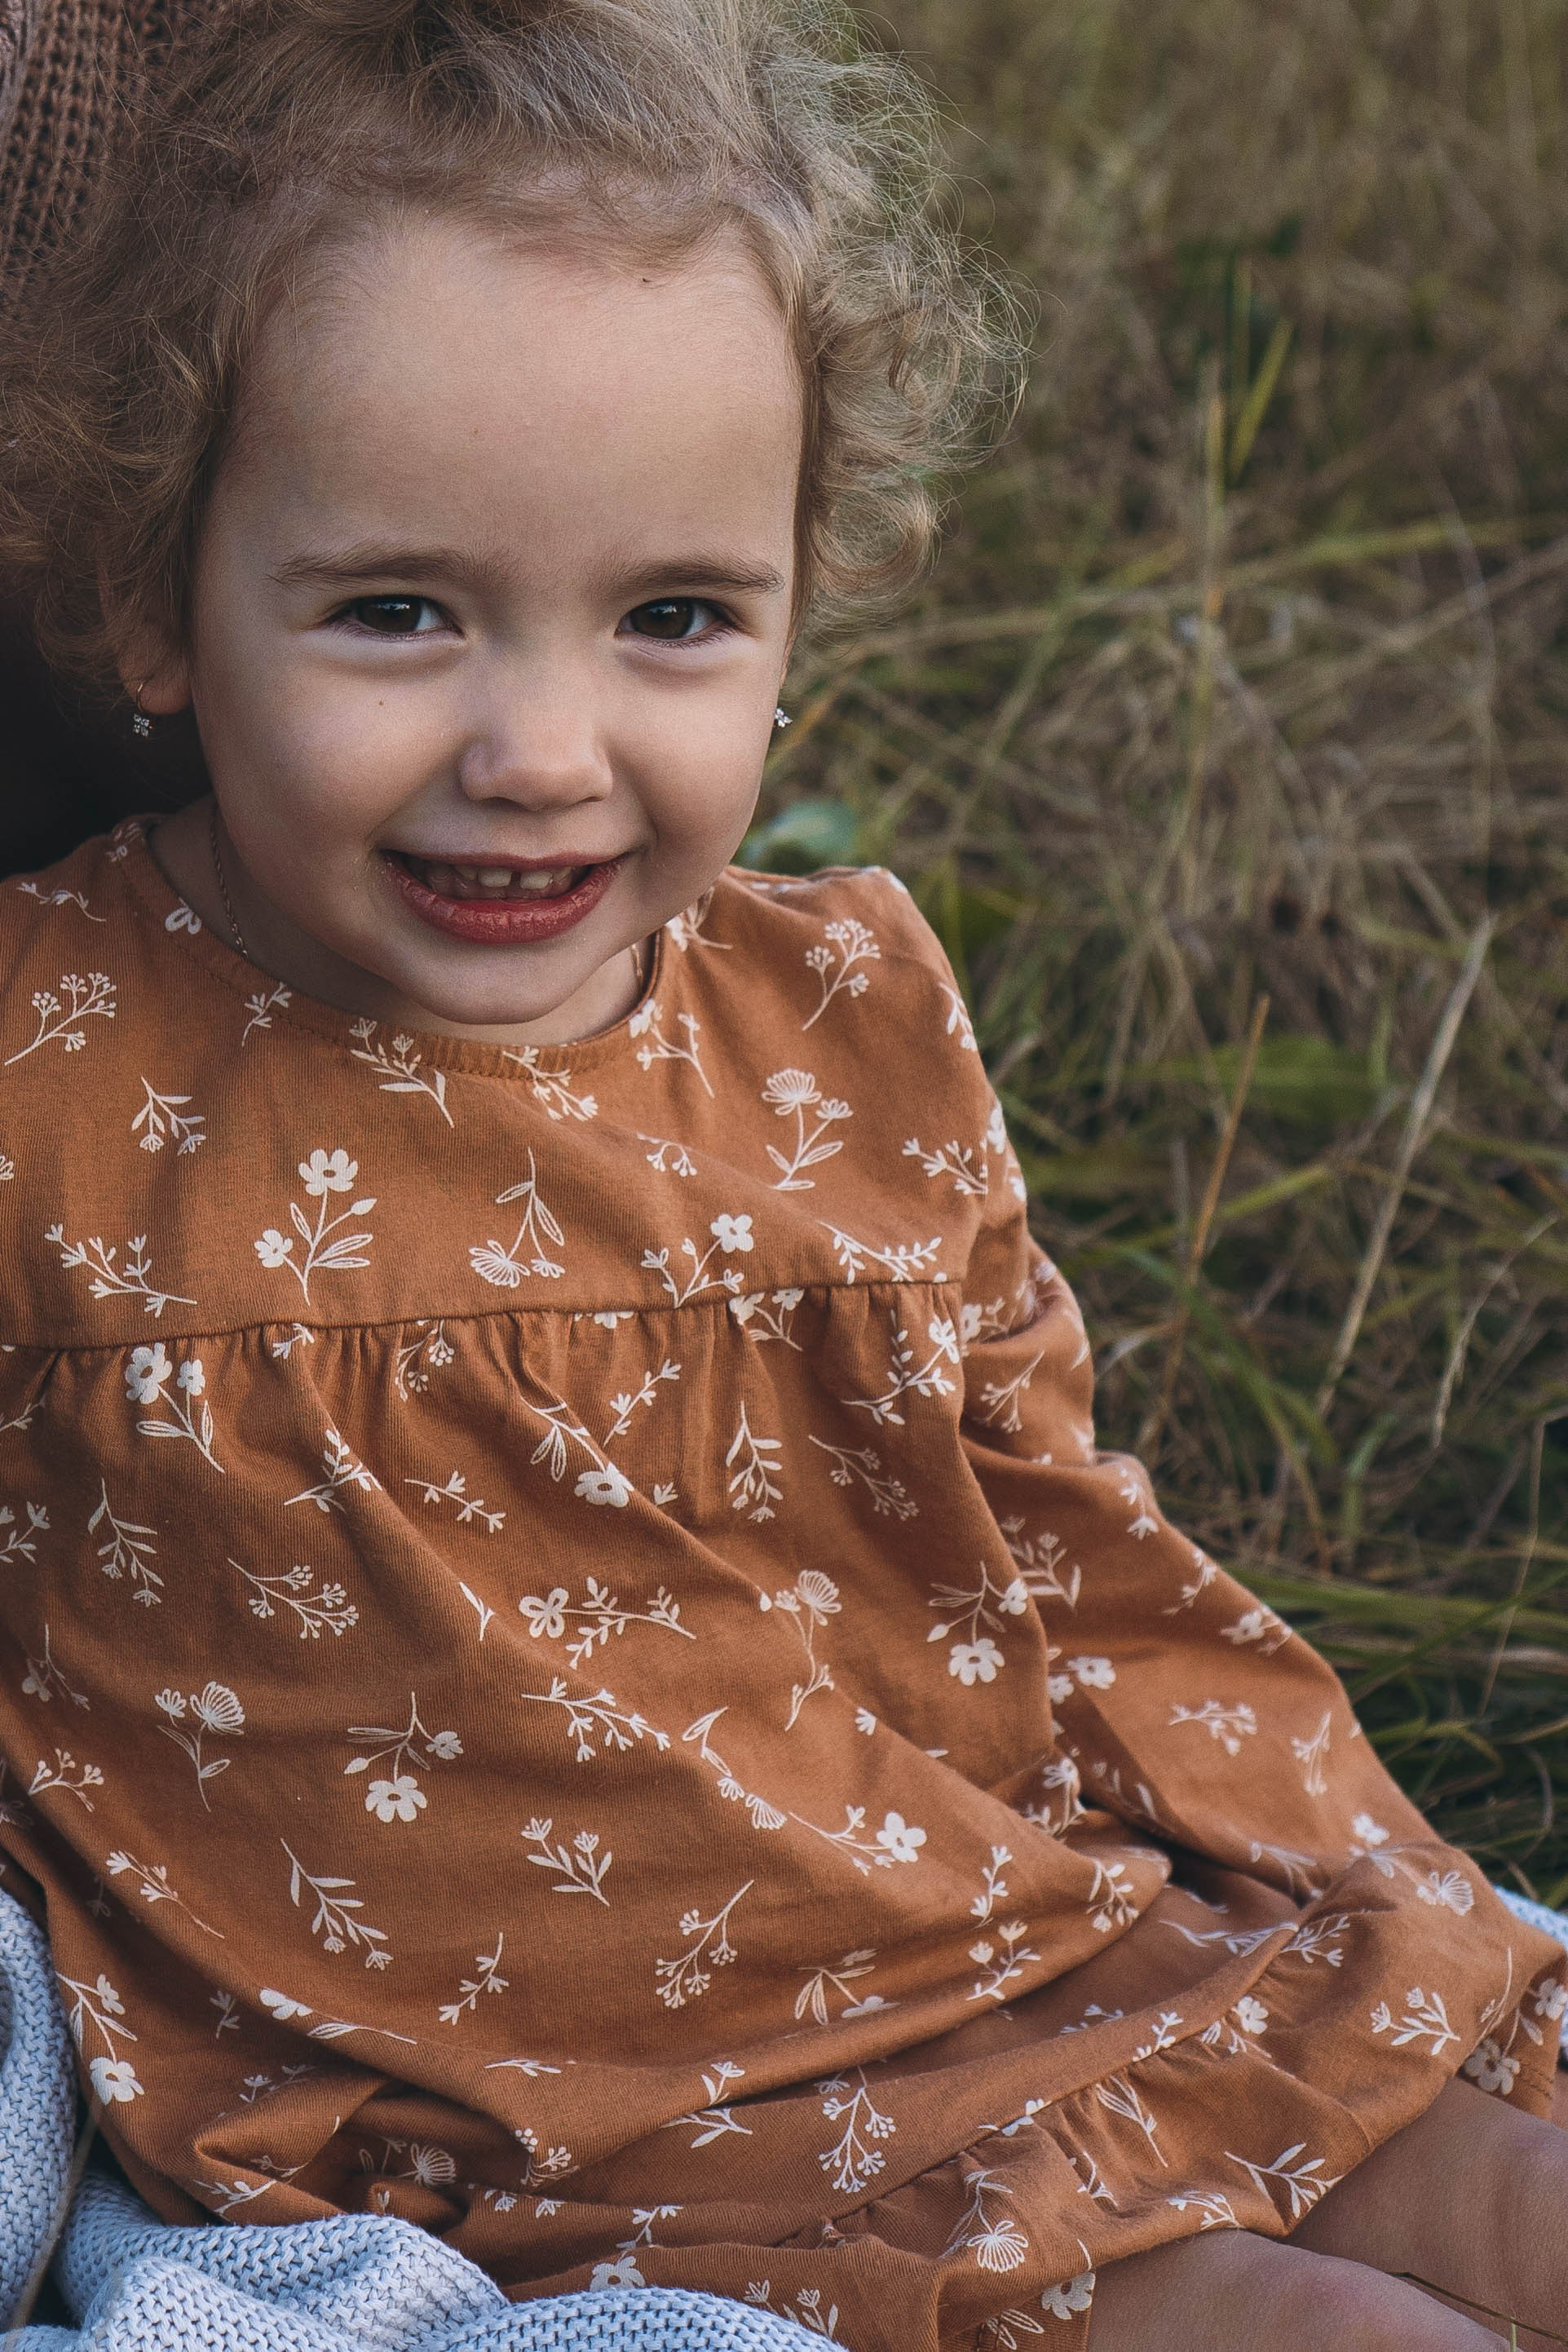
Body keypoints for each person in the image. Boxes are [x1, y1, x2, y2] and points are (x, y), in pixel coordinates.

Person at [0, 4, 1563, 2345]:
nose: (541, 752)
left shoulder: (840, 1020)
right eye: (397, 610)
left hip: (1006, 1924)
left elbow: (1057, 1525)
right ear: (151, 594)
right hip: (585, 2115)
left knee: (1520, 2200)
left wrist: (1378, 1891)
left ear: (797, 608)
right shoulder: (53, 1053)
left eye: (672, 618)